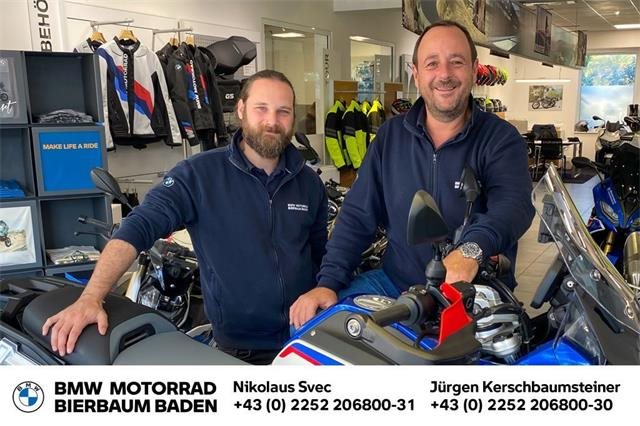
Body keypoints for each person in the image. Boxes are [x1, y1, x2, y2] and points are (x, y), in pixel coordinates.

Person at [42, 70, 328, 365]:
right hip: (242, 351)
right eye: (261, 108)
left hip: (308, 338)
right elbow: (139, 226)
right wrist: (91, 298)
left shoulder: (308, 182)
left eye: (283, 111)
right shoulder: (198, 175)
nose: (272, 121)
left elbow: (321, 256)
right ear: (241, 109)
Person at [290, 20, 535, 328]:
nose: (444, 74)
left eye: (456, 62)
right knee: (313, 327)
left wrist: (472, 249)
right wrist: (328, 283)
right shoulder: (390, 136)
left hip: (471, 294)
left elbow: (514, 206)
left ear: (474, 70)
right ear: (416, 74)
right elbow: (357, 214)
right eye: (432, 63)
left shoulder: (500, 138)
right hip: (396, 285)